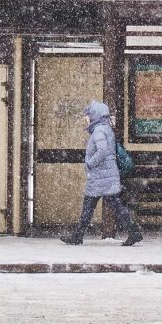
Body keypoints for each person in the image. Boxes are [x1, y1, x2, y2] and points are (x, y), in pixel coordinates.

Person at [61, 101, 143, 246]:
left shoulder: (99, 130)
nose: (86, 119)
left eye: (88, 116)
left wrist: (89, 163)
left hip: (101, 175)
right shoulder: (105, 128)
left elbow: (102, 150)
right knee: (110, 204)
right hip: (105, 174)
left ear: (95, 115)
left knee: (91, 205)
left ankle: (78, 236)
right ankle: (132, 231)